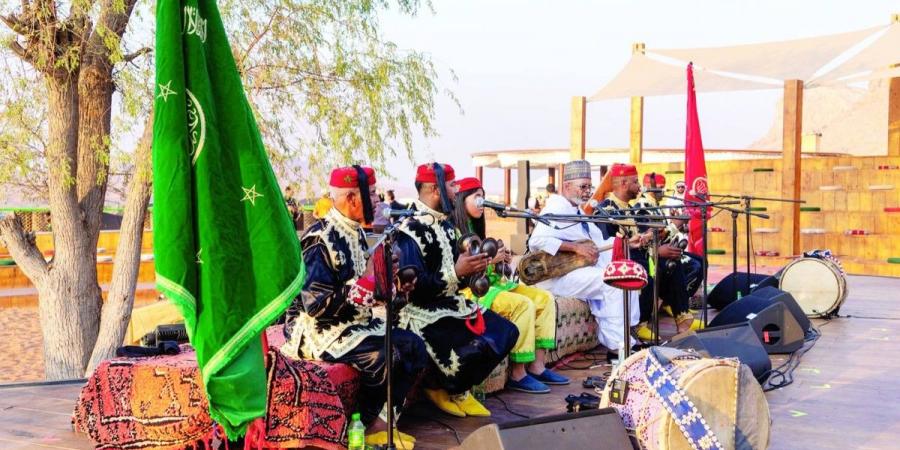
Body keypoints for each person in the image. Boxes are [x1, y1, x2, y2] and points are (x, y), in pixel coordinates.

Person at [282, 166, 427, 449]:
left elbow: (369, 293)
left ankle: (379, 426)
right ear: (352, 198)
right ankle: (361, 423)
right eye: (371, 194)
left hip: (356, 324)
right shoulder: (319, 239)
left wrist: (394, 285)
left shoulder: (358, 234)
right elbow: (315, 305)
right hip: (319, 331)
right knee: (386, 354)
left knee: (414, 345)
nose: (377, 200)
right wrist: (367, 282)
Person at [396, 162, 519, 418]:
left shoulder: (447, 227)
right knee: (469, 346)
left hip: (453, 306)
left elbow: (460, 279)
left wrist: (475, 268)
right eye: (452, 186)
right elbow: (414, 289)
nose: (456, 191)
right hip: (421, 313)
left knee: (505, 333)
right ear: (434, 189)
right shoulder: (408, 231)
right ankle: (441, 388)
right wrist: (457, 271)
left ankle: (457, 389)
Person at [452, 177, 569, 394]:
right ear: (461, 199)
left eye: (483, 196)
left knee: (544, 298)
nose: (482, 201)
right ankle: (518, 373)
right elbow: (461, 271)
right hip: (467, 292)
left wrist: (500, 257)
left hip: (489, 284)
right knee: (522, 305)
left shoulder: (474, 225)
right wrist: (490, 260)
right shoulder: (452, 230)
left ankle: (537, 366)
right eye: (476, 196)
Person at [528, 160, 636, 361]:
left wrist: (630, 242)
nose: (587, 192)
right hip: (557, 277)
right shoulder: (556, 208)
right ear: (567, 186)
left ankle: (626, 338)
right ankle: (616, 347)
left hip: (579, 272)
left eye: (589, 187)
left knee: (628, 273)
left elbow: (599, 243)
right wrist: (575, 247)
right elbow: (538, 241)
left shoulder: (577, 211)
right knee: (613, 282)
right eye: (583, 187)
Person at [630, 173, 702, 336]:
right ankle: (649, 319)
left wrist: (678, 226)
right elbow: (650, 237)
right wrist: (675, 225)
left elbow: (661, 234)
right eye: (661, 188)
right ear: (651, 187)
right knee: (687, 265)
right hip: (645, 255)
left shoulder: (654, 204)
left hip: (655, 251)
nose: (663, 191)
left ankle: (681, 312)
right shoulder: (643, 206)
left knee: (698, 261)